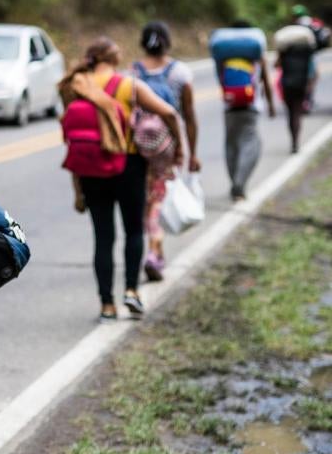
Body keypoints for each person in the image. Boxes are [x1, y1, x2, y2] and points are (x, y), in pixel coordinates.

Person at [62, 37, 183, 321]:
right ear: (115, 59)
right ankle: (132, 291)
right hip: (128, 164)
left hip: (90, 167)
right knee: (133, 231)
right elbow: (169, 113)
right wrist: (177, 149)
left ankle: (107, 305)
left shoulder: (76, 84)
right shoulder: (129, 85)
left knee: (103, 237)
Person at [133, 21, 200, 282]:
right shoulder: (180, 73)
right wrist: (190, 152)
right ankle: (154, 249)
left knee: (144, 197)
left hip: (137, 145)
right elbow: (189, 116)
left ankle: (151, 245)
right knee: (159, 197)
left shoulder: (134, 72)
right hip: (165, 146)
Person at [211, 20, 275, 201]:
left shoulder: (223, 53)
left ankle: (234, 181)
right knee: (251, 143)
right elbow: (266, 80)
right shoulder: (254, 52)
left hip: (229, 106)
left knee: (231, 144)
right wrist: (270, 104)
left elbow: (219, 78)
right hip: (251, 106)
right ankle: (239, 183)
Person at [276, 35, 318, 153]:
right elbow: (313, 72)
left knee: (290, 113)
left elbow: (276, 65)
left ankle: (293, 140)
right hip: (301, 85)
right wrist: (310, 86)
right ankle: (295, 141)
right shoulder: (306, 53)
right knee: (297, 113)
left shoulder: (284, 53)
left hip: (287, 86)